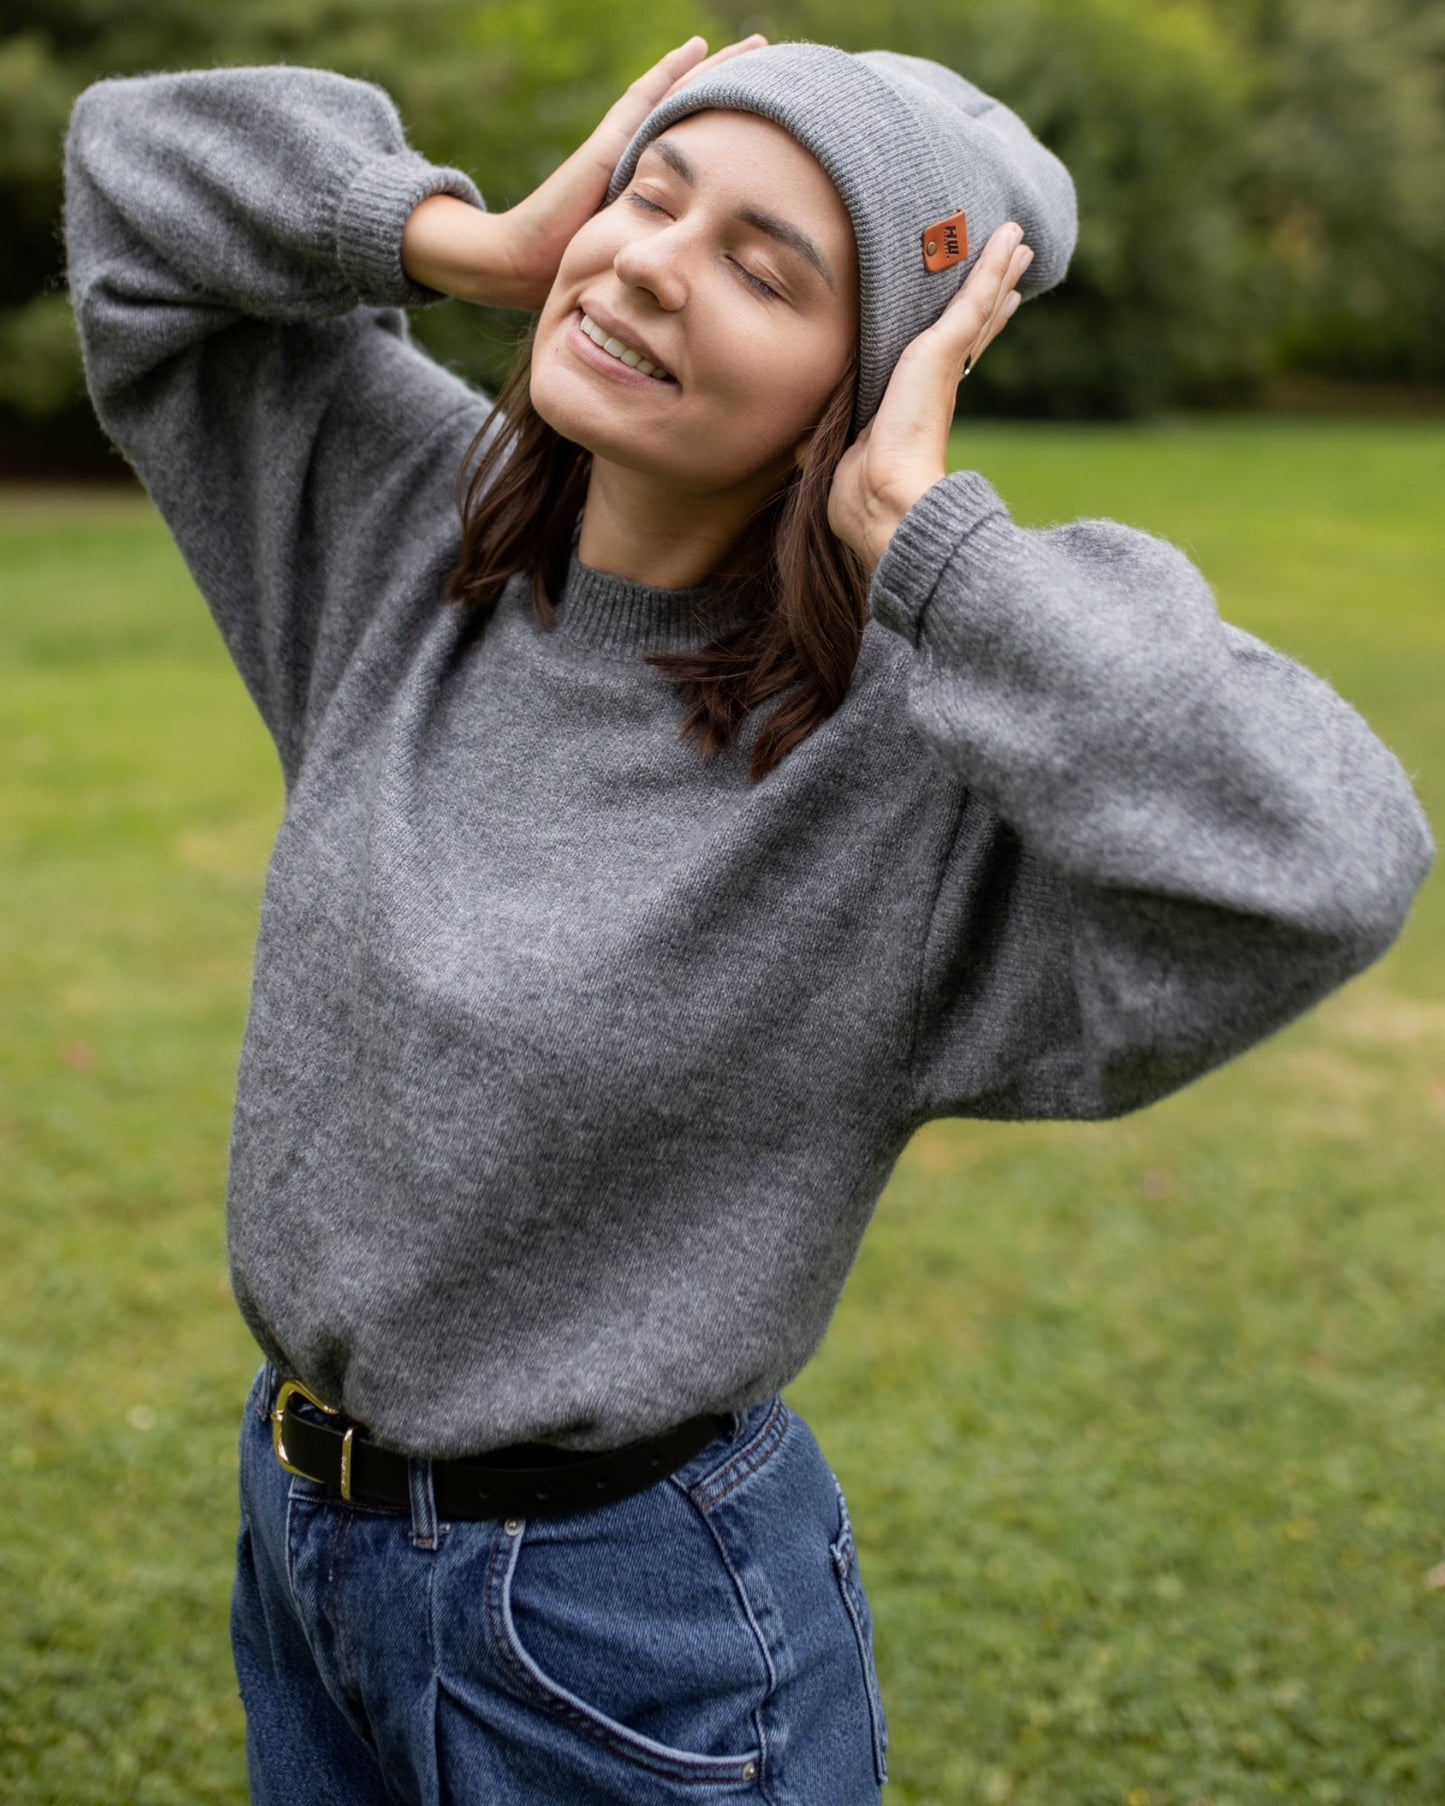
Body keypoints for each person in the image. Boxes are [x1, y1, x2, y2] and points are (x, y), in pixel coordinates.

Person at [62, 31, 1433, 1806]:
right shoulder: (406, 532)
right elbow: (130, 167)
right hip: (305, 1537)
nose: (650, 260)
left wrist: (932, 542)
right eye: (653, 190)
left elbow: (1329, 845)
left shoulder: (906, 780)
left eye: (763, 268)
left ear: (855, 390)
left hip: (624, 1634)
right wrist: (460, 238)